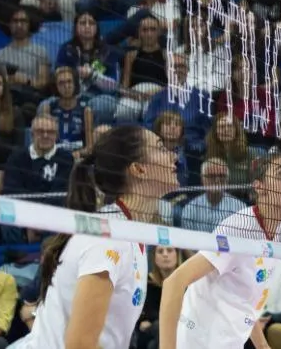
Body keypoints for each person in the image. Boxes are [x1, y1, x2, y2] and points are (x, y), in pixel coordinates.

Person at [18, 124, 180, 349]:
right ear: (139, 169)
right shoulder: (107, 239)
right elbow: (80, 345)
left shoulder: (131, 231)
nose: (174, 156)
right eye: (161, 148)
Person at [158, 151, 281, 349]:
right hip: (199, 341)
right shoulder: (239, 228)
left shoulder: (277, 228)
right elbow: (173, 282)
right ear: (260, 187)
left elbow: (244, 301)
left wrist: (262, 346)